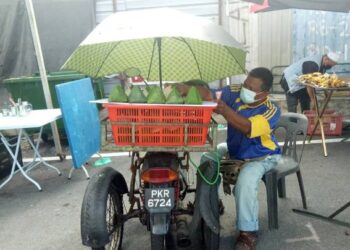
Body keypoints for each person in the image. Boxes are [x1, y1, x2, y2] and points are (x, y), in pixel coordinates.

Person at [201, 67, 281, 250]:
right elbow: (210, 95)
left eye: (251, 88)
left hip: (261, 156)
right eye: (246, 84)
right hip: (235, 150)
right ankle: (210, 202)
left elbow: (247, 128)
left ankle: (247, 233)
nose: (245, 89)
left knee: (245, 180)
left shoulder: (271, 109)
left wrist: (224, 110)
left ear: (263, 93)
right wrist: (193, 89)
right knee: (208, 158)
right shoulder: (234, 92)